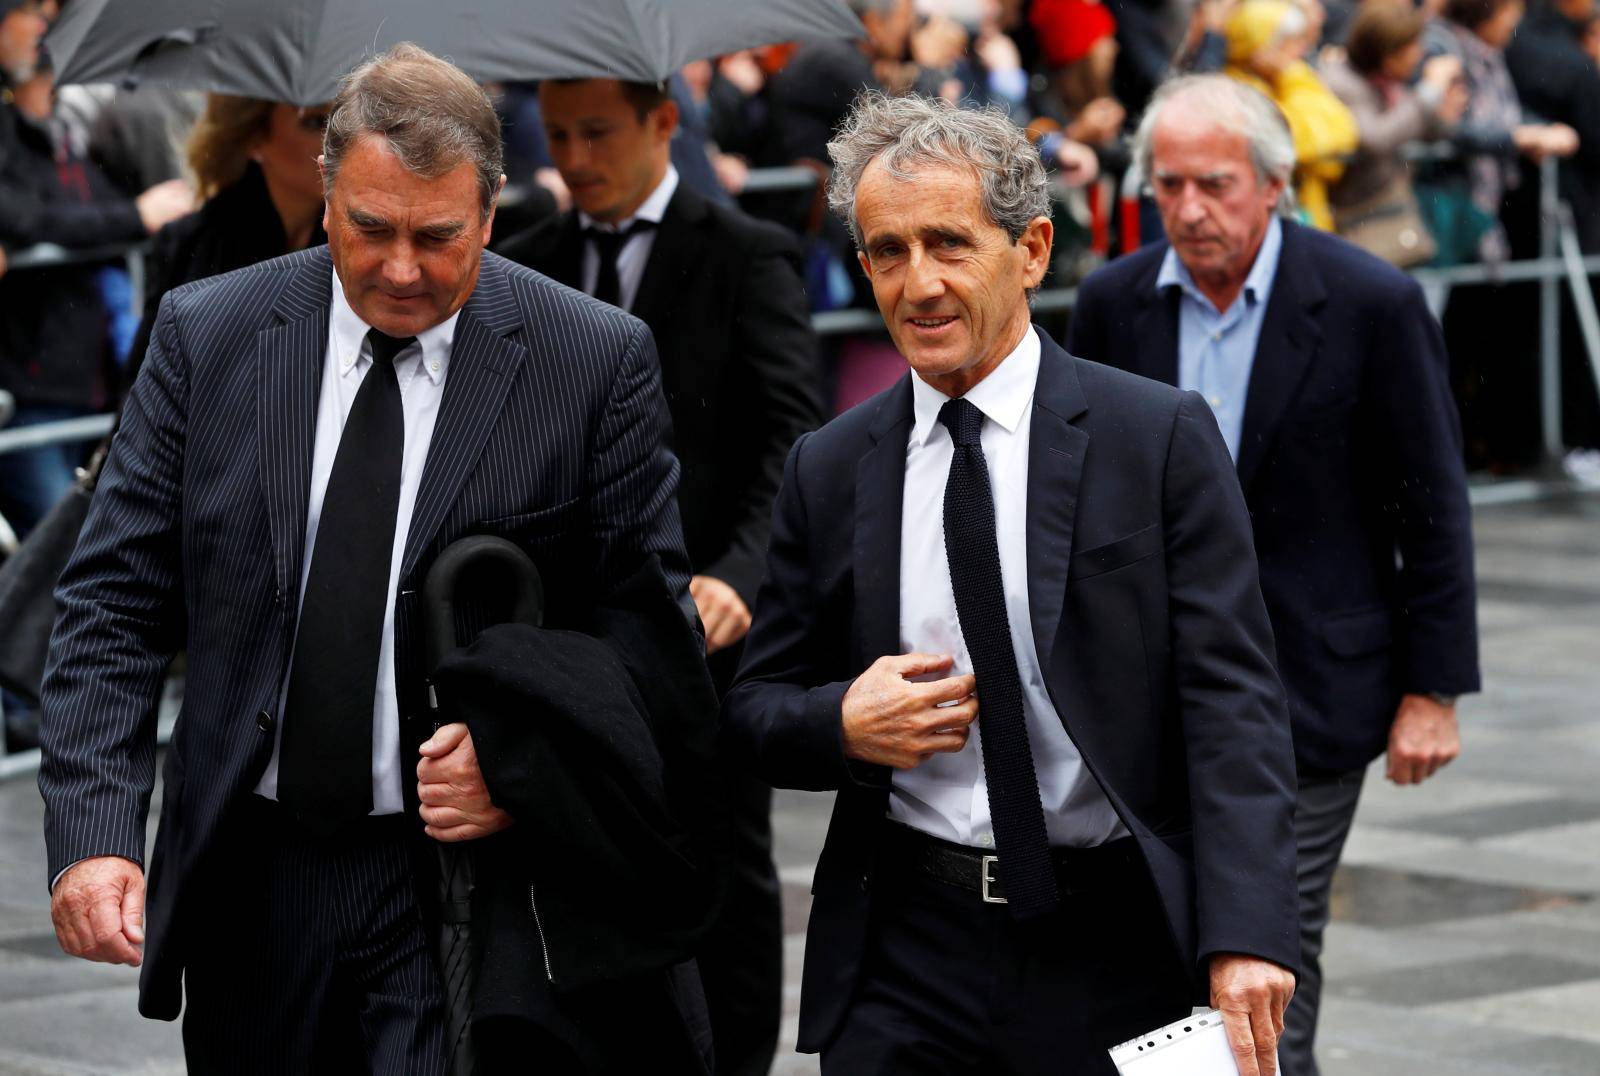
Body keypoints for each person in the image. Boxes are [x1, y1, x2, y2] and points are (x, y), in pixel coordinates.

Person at [39, 43, 717, 1074]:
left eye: (438, 237)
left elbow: (646, 644)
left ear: (490, 215)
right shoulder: (209, 333)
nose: (401, 267)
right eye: (371, 229)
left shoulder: (590, 360)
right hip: (247, 875)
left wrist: (522, 761)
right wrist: (94, 826)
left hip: (449, 884)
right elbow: (114, 599)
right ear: (325, 197)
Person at [724, 91, 1300, 1075]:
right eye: (887, 251)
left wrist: (1247, 931)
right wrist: (839, 721)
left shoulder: (1153, 437)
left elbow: (1233, 702)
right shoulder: (830, 464)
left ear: (1030, 250)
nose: (919, 283)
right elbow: (752, 708)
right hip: (907, 944)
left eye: (949, 242)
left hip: (1121, 937)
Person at [1068, 74, 1481, 1076]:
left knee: (1262, 957)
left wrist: (1431, 688)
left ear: (1275, 184)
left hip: (1312, 685)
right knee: (1162, 953)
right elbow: (1073, 496)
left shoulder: (1368, 301)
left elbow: (1428, 501)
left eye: (1214, 183)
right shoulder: (1115, 302)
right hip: (1149, 692)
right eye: (1167, 186)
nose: (1190, 209)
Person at [498, 75, 821, 1076]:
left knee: (722, 859)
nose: (576, 156)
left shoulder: (742, 252)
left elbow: (792, 435)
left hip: (703, 626)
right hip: (571, 636)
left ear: (663, 123)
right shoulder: (528, 261)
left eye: (597, 131)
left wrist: (740, 573)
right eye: (556, 136)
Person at [0, 0, 191, 534]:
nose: (47, 27)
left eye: (52, 18)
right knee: (55, 559)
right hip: (33, 387)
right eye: (33, 14)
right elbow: (26, 215)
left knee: (88, 545)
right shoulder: (17, 135)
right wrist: (135, 216)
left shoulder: (68, 135)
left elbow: (68, 208)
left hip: (89, 381)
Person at [125, 95, 332, 384]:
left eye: (340, 118)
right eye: (314, 122)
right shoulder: (194, 245)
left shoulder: (349, 240)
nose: (335, 139)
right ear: (254, 138)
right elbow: (147, 387)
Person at [1322, 1, 1468, 265]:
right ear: (1390, 54)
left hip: (1389, 210)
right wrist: (1428, 91)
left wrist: (1444, 112)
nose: (1419, 53)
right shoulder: (1342, 81)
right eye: (1413, 47)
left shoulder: (1387, 83)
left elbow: (1420, 129)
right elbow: (1376, 138)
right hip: (1358, 215)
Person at [1221, 0, 1359, 230]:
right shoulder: (1233, 88)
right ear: (1258, 44)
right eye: (1284, 42)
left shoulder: (1292, 76)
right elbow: (1283, 141)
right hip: (1257, 224)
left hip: (1309, 219)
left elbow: (1345, 130)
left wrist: (1290, 75)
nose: (1298, 50)